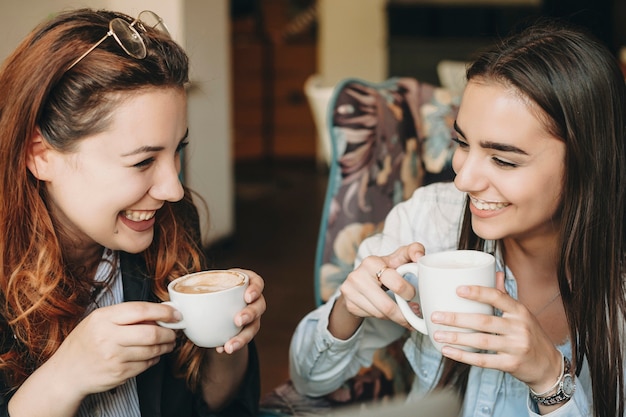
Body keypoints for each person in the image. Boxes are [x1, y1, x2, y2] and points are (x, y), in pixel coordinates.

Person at [289, 20, 626, 417]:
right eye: (462, 143)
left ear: (590, 162)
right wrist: (348, 308)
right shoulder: (430, 221)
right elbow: (308, 380)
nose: (463, 179)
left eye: (503, 159)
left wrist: (550, 379)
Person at [0, 8, 266, 417]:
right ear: (41, 155)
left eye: (176, 150)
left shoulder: (171, 226)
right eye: (143, 162)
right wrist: (64, 378)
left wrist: (228, 340)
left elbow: (208, 405)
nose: (173, 190)